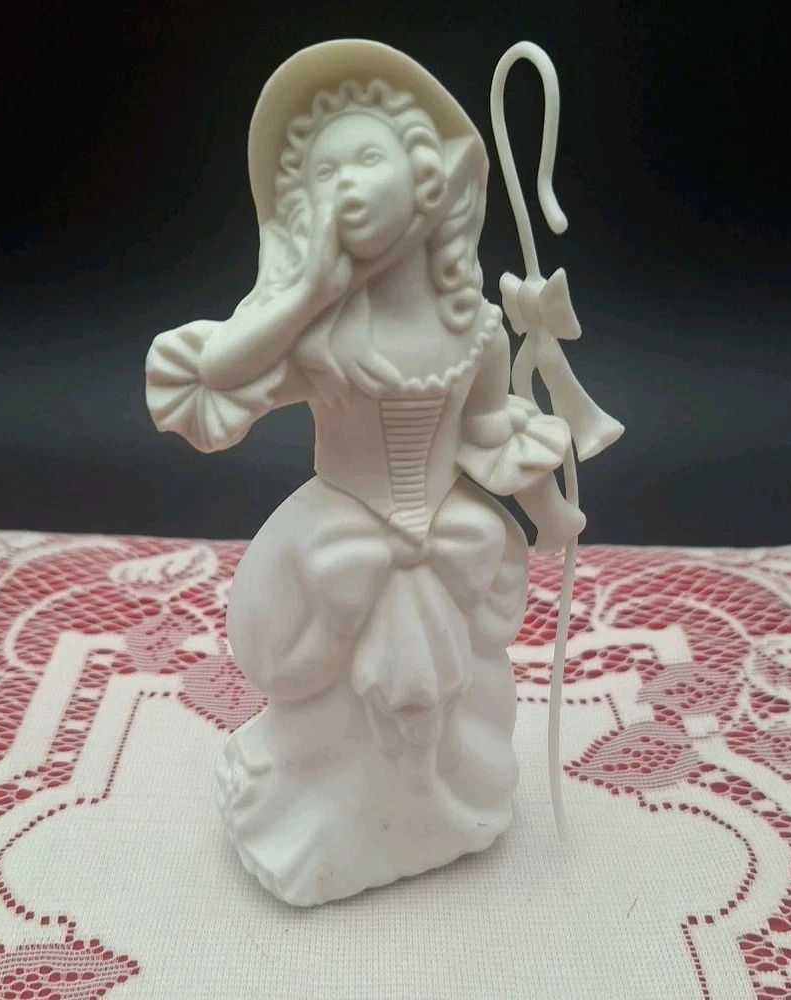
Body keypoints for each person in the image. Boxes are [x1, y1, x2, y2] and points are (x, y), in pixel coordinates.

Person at [145, 40, 581, 906]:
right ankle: (330, 827)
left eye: (368, 159)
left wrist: (548, 508)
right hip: (337, 537)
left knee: (456, 697)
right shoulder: (323, 334)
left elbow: (488, 432)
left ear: (431, 179)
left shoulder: (477, 331)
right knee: (331, 713)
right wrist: (309, 288)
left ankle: (440, 816)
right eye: (325, 172)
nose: (346, 183)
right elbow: (212, 379)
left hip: (449, 536)